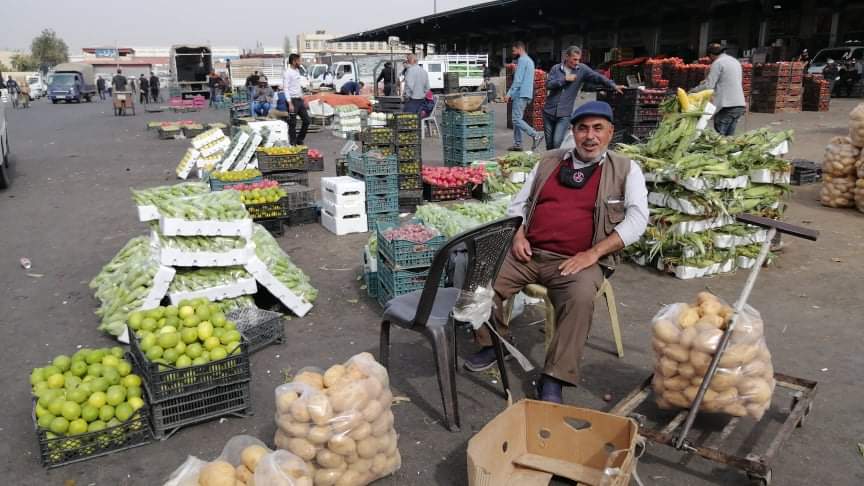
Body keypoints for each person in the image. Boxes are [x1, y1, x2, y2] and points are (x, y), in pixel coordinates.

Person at [464, 101, 649, 404]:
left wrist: (593, 254)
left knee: (579, 299)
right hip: (529, 253)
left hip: (578, 261)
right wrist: (518, 235)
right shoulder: (549, 161)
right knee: (480, 279)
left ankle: (554, 377)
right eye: (583, 129)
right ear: (573, 132)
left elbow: (637, 220)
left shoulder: (626, 170)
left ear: (610, 132)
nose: (590, 136)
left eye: (598, 128)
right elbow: (518, 204)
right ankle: (493, 343)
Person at [544, 46, 622, 150]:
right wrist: (564, 79)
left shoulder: (582, 69)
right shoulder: (556, 68)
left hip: (564, 114)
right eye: (574, 59)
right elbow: (548, 85)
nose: (577, 62)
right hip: (548, 111)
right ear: (567, 57)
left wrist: (613, 85)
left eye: (578, 60)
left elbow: (597, 77)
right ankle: (550, 160)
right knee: (549, 144)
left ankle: (556, 158)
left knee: (556, 142)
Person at [691, 43, 746, 136]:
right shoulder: (735, 61)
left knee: (720, 138)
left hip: (727, 106)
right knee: (729, 138)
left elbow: (709, 85)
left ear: (711, 55)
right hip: (739, 105)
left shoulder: (718, 63)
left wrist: (693, 91)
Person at [505, 41, 544, 151]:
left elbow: (518, 80)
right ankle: (518, 144)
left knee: (516, 119)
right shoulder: (530, 61)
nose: (513, 53)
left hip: (520, 94)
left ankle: (536, 135)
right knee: (518, 119)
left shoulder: (522, 60)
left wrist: (509, 93)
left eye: (514, 50)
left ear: (519, 49)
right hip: (527, 94)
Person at [283, 53, 310, 145]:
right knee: (293, 123)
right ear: (294, 61)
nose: (300, 62)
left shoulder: (297, 71)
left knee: (307, 120)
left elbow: (298, 87)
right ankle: (293, 142)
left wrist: (303, 98)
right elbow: (286, 88)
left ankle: (299, 139)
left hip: (299, 100)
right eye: (299, 61)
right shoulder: (287, 73)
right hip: (292, 100)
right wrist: (289, 103)